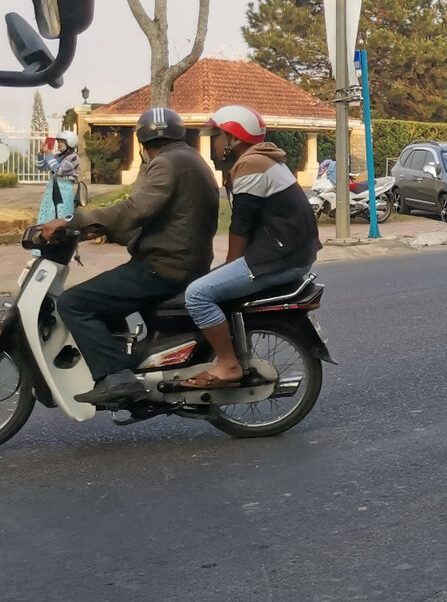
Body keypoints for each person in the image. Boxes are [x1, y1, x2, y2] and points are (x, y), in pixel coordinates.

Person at [39, 108, 220, 407]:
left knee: (74, 303)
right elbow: (167, 219)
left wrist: (74, 221)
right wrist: (103, 230)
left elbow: (135, 209)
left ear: (142, 142)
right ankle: (123, 360)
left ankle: (117, 378)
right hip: (183, 259)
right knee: (103, 297)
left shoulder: (166, 163)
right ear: (178, 133)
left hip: (164, 266)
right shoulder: (189, 159)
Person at [160, 105, 322, 391]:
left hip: (278, 259)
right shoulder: (264, 160)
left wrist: (230, 265)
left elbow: (241, 225)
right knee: (211, 285)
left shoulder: (251, 165)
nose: (214, 141)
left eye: (217, 135)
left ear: (232, 139)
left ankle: (228, 364)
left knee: (197, 294)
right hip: (287, 254)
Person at [35, 130, 80, 222]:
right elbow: (41, 167)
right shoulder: (56, 156)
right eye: (58, 141)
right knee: (47, 215)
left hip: (64, 191)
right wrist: (41, 154)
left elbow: (59, 170)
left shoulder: (74, 157)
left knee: (62, 215)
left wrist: (48, 154)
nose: (59, 144)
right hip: (51, 189)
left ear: (70, 142)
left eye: (62, 142)